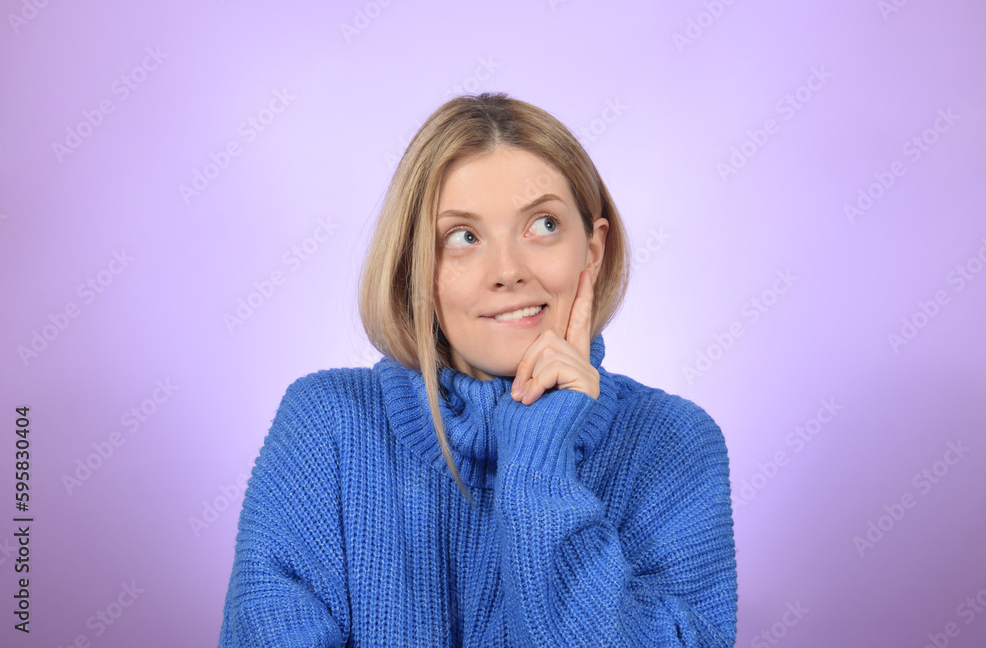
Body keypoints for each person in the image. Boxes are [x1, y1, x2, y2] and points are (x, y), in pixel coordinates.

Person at [218, 92, 738, 646]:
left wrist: (539, 466)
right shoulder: (326, 425)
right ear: (414, 265)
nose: (507, 271)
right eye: (463, 237)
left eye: (543, 224)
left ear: (592, 249)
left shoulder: (674, 442)